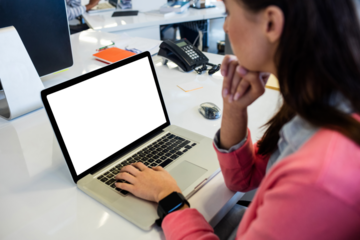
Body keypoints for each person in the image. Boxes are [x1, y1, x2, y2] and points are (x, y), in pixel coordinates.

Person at [114, 0, 360, 239]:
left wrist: (167, 195)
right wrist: (234, 108)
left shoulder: (319, 178)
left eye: (229, 12)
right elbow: (242, 179)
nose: (225, 27)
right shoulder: (316, 107)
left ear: (271, 23)